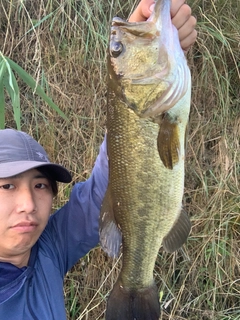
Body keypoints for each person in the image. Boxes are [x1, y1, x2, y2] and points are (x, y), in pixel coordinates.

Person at [0, 1, 197, 319]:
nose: (28, 203)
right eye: (7, 185)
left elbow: (103, 191)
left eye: (40, 184)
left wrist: (154, 49)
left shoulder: (47, 247)